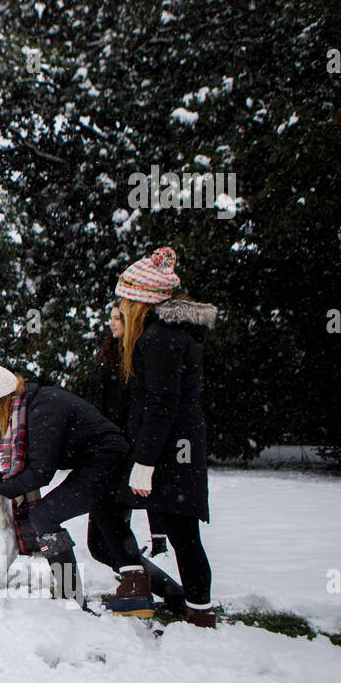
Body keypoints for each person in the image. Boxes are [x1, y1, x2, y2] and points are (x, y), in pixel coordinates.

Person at [0, 357, 128, 606]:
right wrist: (0, 477)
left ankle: (72, 596)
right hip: (99, 463)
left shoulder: (41, 410)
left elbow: (41, 472)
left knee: (44, 515)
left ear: (1, 399)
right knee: (102, 546)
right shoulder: (31, 405)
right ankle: (166, 592)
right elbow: (35, 463)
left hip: (107, 465)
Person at [113, 247, 219, 628]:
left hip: (172, 451)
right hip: (178, 446)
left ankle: (199, 612)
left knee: (182, 532)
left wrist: (144, 461)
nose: (121, 306)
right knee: (181, 531)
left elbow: (161, 405)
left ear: (141, 300)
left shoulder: (159, 338)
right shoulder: (173, 333)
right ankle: (197, 608)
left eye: (125, 299)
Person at [84, 305, 186, 616]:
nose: (112, 322)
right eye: (111, 316)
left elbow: (139, 413)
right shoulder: (110, 356)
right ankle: (166, 589)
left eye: (119, 317)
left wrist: (125, 452)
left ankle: (139, 588)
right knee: (100, 542)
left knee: (108, 528)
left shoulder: (138, 362)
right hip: (104, 452)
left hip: (119, 457)